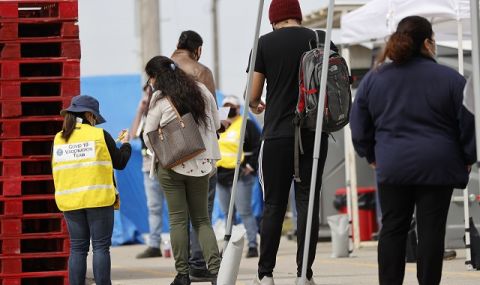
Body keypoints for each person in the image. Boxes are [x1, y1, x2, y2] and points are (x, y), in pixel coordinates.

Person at [350, 16, 476, 285]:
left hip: (393, 165)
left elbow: (358, 124)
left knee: (393, 228)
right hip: (438, 165)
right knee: (431, 231)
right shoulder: (452, 79)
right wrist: (467, 157)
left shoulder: (375, 79)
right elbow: (469, 122)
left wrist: (371, 155)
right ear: (428, 43)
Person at [248, 0, 336, 284]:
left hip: (277, 135)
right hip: (313, 133)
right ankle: (304, 274)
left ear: (273, 19)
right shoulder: (321, 39)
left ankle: (266, 275)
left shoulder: (263, 44)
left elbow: (253, 94)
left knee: (273, 205)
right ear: (297, 16)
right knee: (307, 204)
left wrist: (256, 105)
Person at [143, 56, 221, 285]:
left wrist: (167, 145)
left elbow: (148, 136)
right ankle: (216, 272)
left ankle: (183, 275)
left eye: (151, 78)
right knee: (202, 220)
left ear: (157, 76)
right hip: (201, 164)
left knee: (177, 220)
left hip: (172, 165)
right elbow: (216, 124)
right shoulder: (202, 90)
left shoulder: (159, 98)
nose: (151, 82)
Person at [51, 95, 131, 285]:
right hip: (98, 199)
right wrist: (126, 143)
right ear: (89, 115)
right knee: (101, 248)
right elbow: (119, 162)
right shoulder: (99, 135)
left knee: (78, 249)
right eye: (94, 117)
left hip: (70, 202)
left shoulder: (59, 138)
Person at [171, 30, 221, 282]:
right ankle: (200, 263)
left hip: (171, 152)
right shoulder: (201, 72)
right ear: (198, 49)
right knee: (202, 212)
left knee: (178, 216)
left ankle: (182, 271)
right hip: (200, 152)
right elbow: (213, 118)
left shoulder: (161, 70)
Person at [216, 95, 260, 258]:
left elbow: (258, 145)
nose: (228, 108)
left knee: (244, 211)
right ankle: (228, 246)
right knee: (227, 213)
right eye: (225, 105)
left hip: (240, 174)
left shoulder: (246, 124)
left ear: (238, 108)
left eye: (231, 105)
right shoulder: (218, 124)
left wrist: (250, 165)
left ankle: (253, 245)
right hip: (221, 174)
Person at [130, 83, 165, 259]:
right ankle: (154, 244)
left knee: (178, 207)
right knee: (153, 208)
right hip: (148, 166)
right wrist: (139, 110)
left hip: (166, 164)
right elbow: (132, 135)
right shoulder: (144, 116)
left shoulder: (165, 109)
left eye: (149, 93)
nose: (146, 97)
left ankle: (187, 244)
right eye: (145, 93)